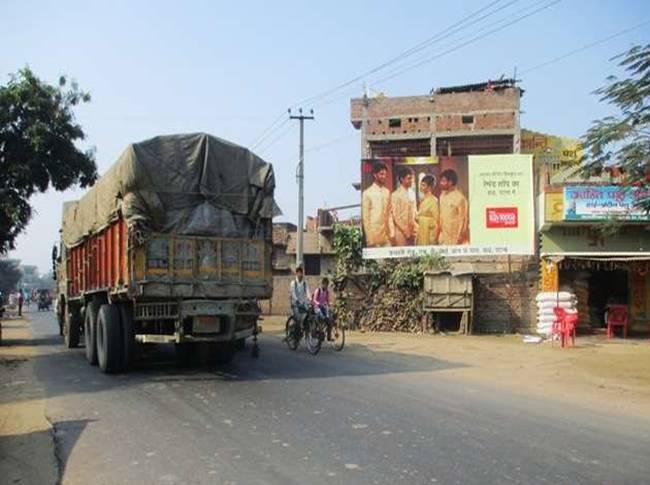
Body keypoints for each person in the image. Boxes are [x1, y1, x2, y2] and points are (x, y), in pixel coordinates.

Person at [362, 162, 391, 247]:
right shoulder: (367, 193)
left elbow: (389, 213)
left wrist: (391, 234)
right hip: (374, 238)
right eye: (381, 174)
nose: (384, 177)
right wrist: (370, 240)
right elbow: (366, 219)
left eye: (385, 174)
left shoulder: (387, 192)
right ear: (375, 175)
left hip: (386, 237)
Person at [438, 169, 469, 245]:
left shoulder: (460, 198)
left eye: (443, 181)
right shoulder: (442, 196)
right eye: (441, 181)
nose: (441, 183)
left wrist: (461, 236)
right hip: (443, 235)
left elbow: (464, 219)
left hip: (455, 236)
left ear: (450, 182)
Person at [389, 166, 417, 246]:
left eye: (412, 178)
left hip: (413, 231)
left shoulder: (412, 193)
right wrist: (405, 231)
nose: (411, 181)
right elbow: (396, 216)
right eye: (409, 178)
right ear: (402, 179)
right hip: (401, 232)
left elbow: (414, 211)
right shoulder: (395, 195)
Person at [416, 175, 440, 245]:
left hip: (429, 234)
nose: (420, 187)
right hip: (421, 231)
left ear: (429, 187)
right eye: (421, 184)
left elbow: (435, 221)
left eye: (423, 185)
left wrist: (420, 219)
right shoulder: (423, 199)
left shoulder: (433, 201)